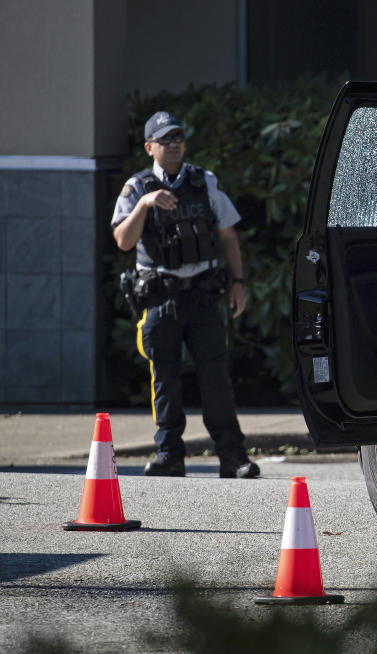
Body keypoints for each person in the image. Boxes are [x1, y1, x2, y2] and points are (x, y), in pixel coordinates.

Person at [111, 111, 259, 479]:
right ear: (150, 148)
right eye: (165, 139)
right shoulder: (136, 188)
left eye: (178, 137)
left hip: (202, 296)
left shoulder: (203, 181)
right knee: (164, 379)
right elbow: (123, 241)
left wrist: (238, 282)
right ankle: (169, 456)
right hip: (161, 299)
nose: (174, 144)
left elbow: (227, 234)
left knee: (216, 379)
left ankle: (232, 457)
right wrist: (145, 205)